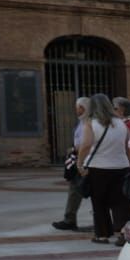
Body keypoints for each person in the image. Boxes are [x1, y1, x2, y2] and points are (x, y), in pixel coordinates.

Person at [78, 93, 130, 245]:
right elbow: (128, 145)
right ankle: (124, 232)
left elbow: (85, 145)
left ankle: (102, 235)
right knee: (122, 202)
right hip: (120, 166)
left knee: (99, 202)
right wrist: (127, 162)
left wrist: (80, 163)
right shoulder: (121, 123)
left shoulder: (91, 123)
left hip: (98, 167)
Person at [53, 96, 90, 231]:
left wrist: (75, 150)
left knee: (77, 190)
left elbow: (86, 143)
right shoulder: (82, 122)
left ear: (84, 108)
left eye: (78, 107)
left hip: (85, 161)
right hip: (80, 159)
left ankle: (70, 219)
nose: (76, 110)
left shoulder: (88, 122)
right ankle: (70, 219)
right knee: (75, 190)